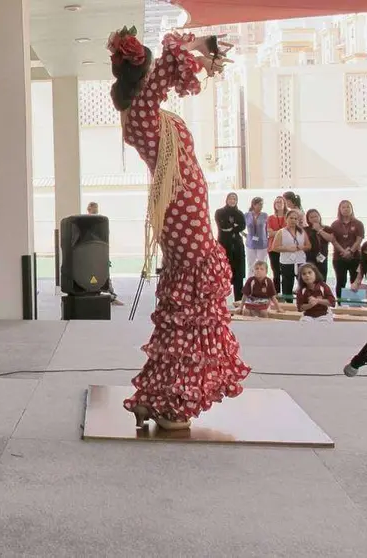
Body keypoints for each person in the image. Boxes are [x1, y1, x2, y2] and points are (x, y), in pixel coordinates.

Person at [107, 26, 250, 430]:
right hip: (182, 209)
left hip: (183, 207)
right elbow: (169, 63)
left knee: (183, 303)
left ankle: (159, 395)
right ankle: (172, 398)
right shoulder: (141, 110)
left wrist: (202, 54)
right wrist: (202, 49)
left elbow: (168, 67)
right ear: (143, 73)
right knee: (189, 303)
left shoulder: (141, 110)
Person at [86, 201, 122, 305]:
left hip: (100, 251)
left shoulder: (101, 221)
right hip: (90, 253)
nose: (95, 210)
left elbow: (105, 237)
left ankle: (112, 297)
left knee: (105, 274)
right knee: (90, 275)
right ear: (89, 209)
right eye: (93, 208)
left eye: (96, 208)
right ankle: (93, 296)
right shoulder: (85, 222)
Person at [329, 200, 365, 300]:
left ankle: (355, 304)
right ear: (339, 210)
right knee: (341, 280)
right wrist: (343, 251)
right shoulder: (335, 224)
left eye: (348, 207)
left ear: (351, 209)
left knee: (355, 280)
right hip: (339, 257)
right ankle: (340, 303)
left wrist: (351, 251)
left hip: (355, 257)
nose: (346, 209)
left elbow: (359, 239)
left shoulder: (358, 223)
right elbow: (333, 240)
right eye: (343, 207)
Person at [272, 210, 311, 299]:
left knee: (304, 284)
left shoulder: (302, 231)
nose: (293, 220)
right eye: (291, 218)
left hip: (300, 261)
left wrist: (301, 247)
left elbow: (309, 246)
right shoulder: (281, 232)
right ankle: (288, 305)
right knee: (287, 285)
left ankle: (303, 302)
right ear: (286, 219)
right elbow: (274, 247)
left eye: (295, 218)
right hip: (286, 262)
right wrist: (287, 249)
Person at [214, 192, 246, 302]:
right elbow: (223, 226)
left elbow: (242, 226)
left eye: (234, 199)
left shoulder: (240, 213)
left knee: (238, 275)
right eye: (231, 198)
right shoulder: (220, 212)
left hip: (237, 246)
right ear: (226, 199)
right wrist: (234, 226)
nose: (232, 201)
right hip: (224, 245)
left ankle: (238, 302)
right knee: (223, 273)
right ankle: (221, 302)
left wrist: (231, 227)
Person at [244, 196, 268, 267]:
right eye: (260, 204)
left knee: (262, 264)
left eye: (262, 204)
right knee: (251, 265)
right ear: (254, 205)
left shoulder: (265, 215)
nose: (261, 206)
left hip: (262, 243)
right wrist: (245, 235)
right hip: (250, 244)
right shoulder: (247, 215)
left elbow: (267, 229)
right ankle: (251, 278)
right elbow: (241, 227)